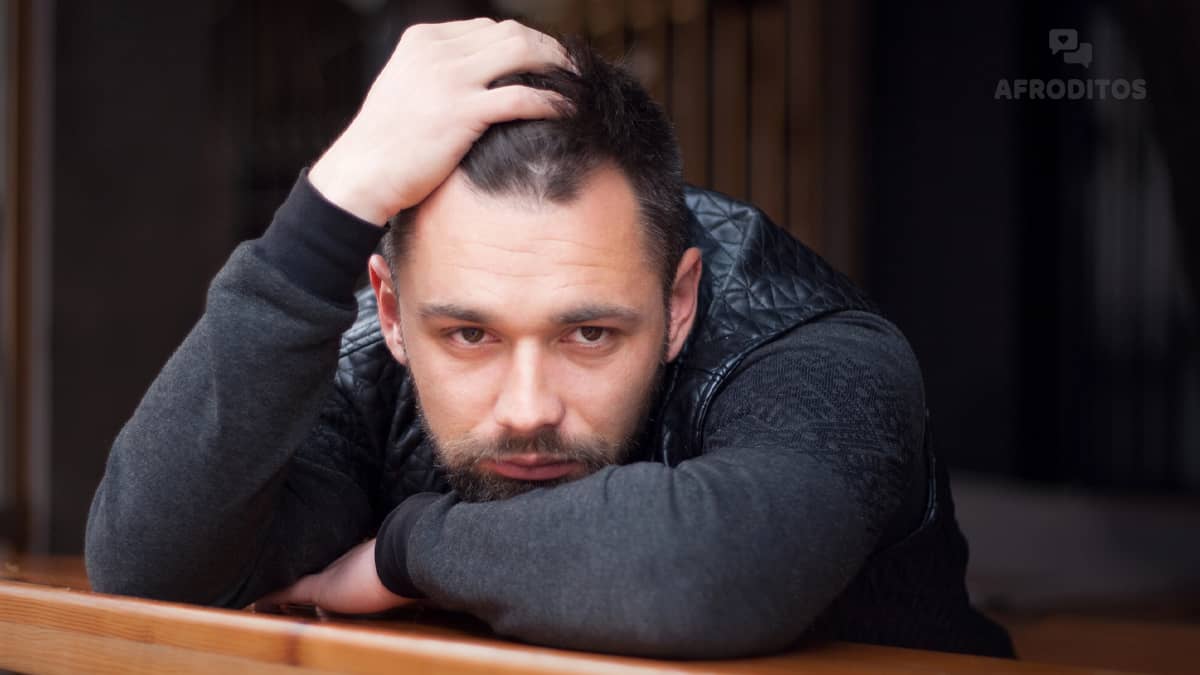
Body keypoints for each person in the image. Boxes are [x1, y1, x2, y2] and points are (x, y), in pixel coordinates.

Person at [85, 18, 1014, 659]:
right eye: (469, 335)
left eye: (589, 332)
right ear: (393, 310)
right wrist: (331, 203)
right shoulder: (373, 362)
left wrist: (408, 548)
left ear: (681, 301)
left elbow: (706, 575)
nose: (527, 408)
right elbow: (149, 566)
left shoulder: (814, 347)